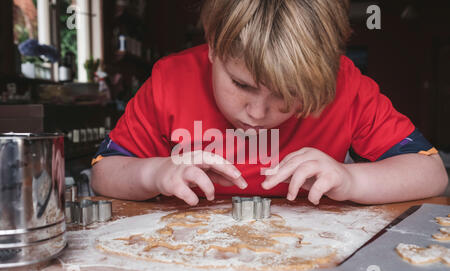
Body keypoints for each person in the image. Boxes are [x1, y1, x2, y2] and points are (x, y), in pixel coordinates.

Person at [91, 0, 447, 206]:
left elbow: (431, 173)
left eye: (287, 93)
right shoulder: (170, 79)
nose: (258, 113)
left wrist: (351, 180)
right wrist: (155, 173)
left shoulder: (345, 83)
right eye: (241, 84)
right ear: (214, 45)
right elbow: (104, 173)